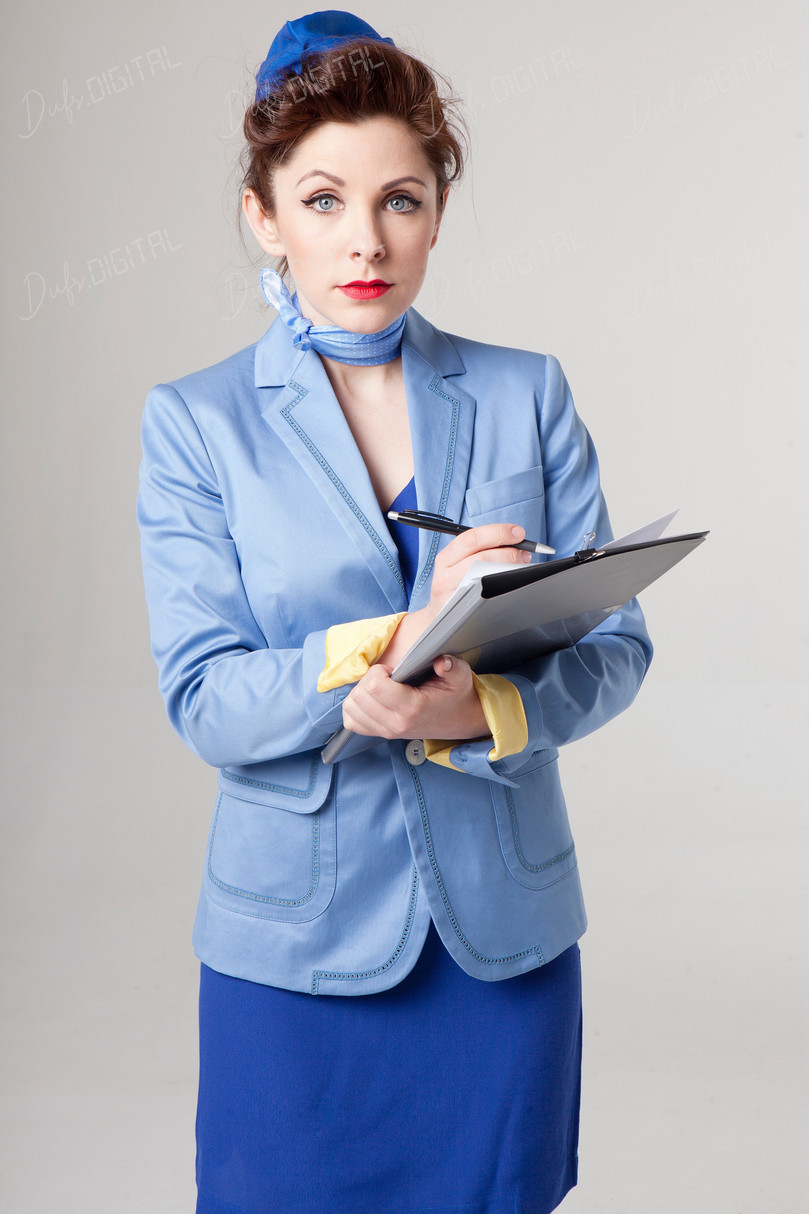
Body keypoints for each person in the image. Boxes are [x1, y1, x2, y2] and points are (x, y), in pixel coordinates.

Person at [137, 12, 653, 1214]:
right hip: (292, 952)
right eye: (321, 200)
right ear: (263, 214)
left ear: (436, 204)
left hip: (501, 941)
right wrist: (380, 648)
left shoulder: (526, 392)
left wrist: (488, 705)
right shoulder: (195, 423)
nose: (364, 239)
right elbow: (206, 697)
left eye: (401, 199)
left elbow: (615, 643)